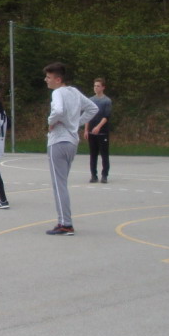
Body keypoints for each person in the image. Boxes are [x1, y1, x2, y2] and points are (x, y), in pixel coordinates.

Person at [43, 63, 98, 236]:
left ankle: (65, 223)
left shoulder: (58, 92)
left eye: (49, 77)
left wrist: (51, 122)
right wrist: (76, 123)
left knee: (59, 185)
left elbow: (58, 110)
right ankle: (64, 221)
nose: (46, 80)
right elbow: (93, 108)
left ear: (58, 79)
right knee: (62, 183)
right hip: (72, 142)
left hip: (59, 141)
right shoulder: (74, 92)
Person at [85, 77, 112, 183]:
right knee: (93, 154)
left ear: (103, 87)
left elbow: (106, 116)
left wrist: (98, 127)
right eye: (95, 86)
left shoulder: (107, 101)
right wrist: (86, 130)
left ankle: (104, 175)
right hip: (92, 132)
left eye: (98, 86)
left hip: (102, 132)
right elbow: (87, 115)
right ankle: (93, 175)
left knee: (104, 154)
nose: (96, 88)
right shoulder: (90, 100)